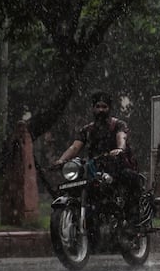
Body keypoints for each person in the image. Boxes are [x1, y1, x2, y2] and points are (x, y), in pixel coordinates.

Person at [55, 91, 142, 227]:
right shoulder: (87, 129)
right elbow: (75, 147)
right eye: (98, 106)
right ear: (93, 108)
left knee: (128, 178)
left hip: (117, 166)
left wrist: (119, 149)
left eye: (104, 107)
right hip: (95, 168)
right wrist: (61, 160)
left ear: (109, 108)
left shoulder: (118, 125)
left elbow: (121, 138)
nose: (101, 110)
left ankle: (132, 222)